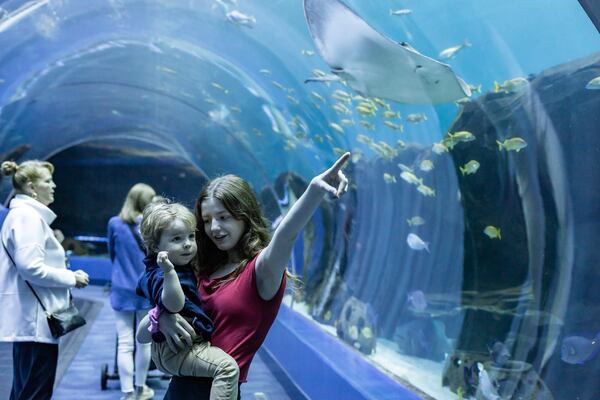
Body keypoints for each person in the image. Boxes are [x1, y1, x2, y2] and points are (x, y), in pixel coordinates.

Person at [137, 153, 350, 399]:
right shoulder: (200, 269)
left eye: (224, 217)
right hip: (177, 390)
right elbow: (141, 336)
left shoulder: (261, 271)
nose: (214, 228)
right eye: (207, 220)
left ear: (244, 215)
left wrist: (313, 192)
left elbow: (286, 235)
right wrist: (160, 318)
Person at [0, 160, 90, 400]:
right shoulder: (28, 217)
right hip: (35, 322)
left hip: (32, 321)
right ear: (31, 187)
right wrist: (71, 277)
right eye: (47, 181)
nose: (54, 186)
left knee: (24, 390)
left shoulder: (22, 215)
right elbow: (31, 268)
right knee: (35, 392)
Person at [136, 202, 239, 400]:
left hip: (173, 348)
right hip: (179, 350)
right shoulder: (161, 272)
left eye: (191, 236)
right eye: (176, 238)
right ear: (156, 246)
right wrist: (169, 272)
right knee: (227, 368)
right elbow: (174, 305)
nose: (187, 244)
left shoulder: (178, 265)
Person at [108, 183, 157, 400]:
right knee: (143, 342)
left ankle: (127, 394)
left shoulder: (114, 224)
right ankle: (140, 389)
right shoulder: (150, 227)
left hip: (121, 290)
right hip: (145, 290)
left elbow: (112, 253)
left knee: (125, 343)